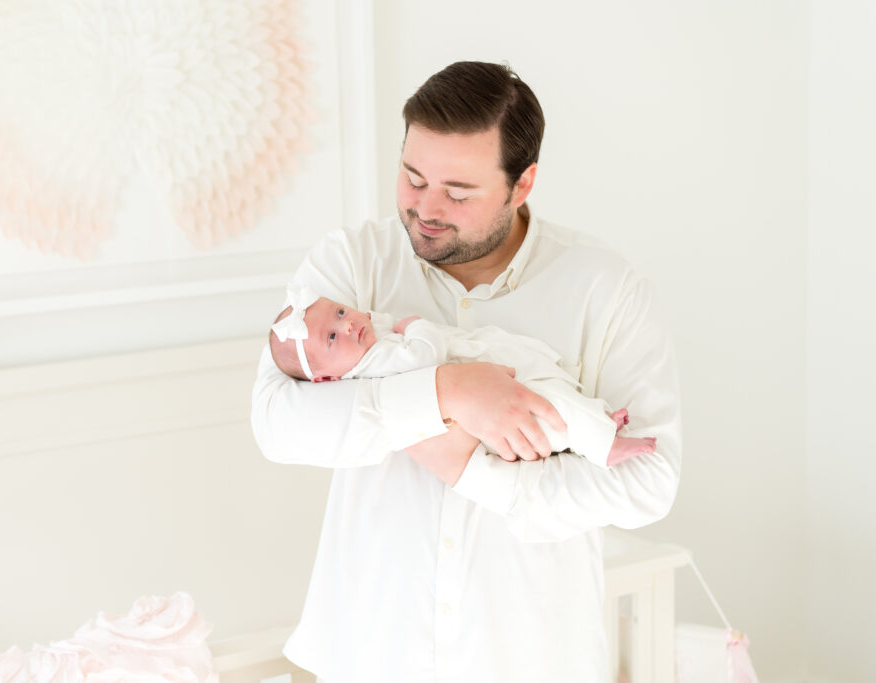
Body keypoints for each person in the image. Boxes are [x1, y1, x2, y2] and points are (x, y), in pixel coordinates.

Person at [251, 61, 681, 682]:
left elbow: (649, 483)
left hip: (529, 657)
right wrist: (447, 392)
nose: (425, 209)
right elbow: (277, 422)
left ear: (522, 183)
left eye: (457, 193)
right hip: (370, 650)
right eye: (412, 176)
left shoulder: (607, 290)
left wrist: (479, 474)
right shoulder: (350, 265)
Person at [268, 287, 657, 469]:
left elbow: (370, 322)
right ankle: (603, 445)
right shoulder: (374, 362)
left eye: (339, 313)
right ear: (324, 380)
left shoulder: (364, 344)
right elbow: (426, 353)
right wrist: (415, 326)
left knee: (553, 392)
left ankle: (599, 419)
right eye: (333, 338)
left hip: (486, 376)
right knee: (551, 409)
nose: (349, 325)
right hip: (485, 398)